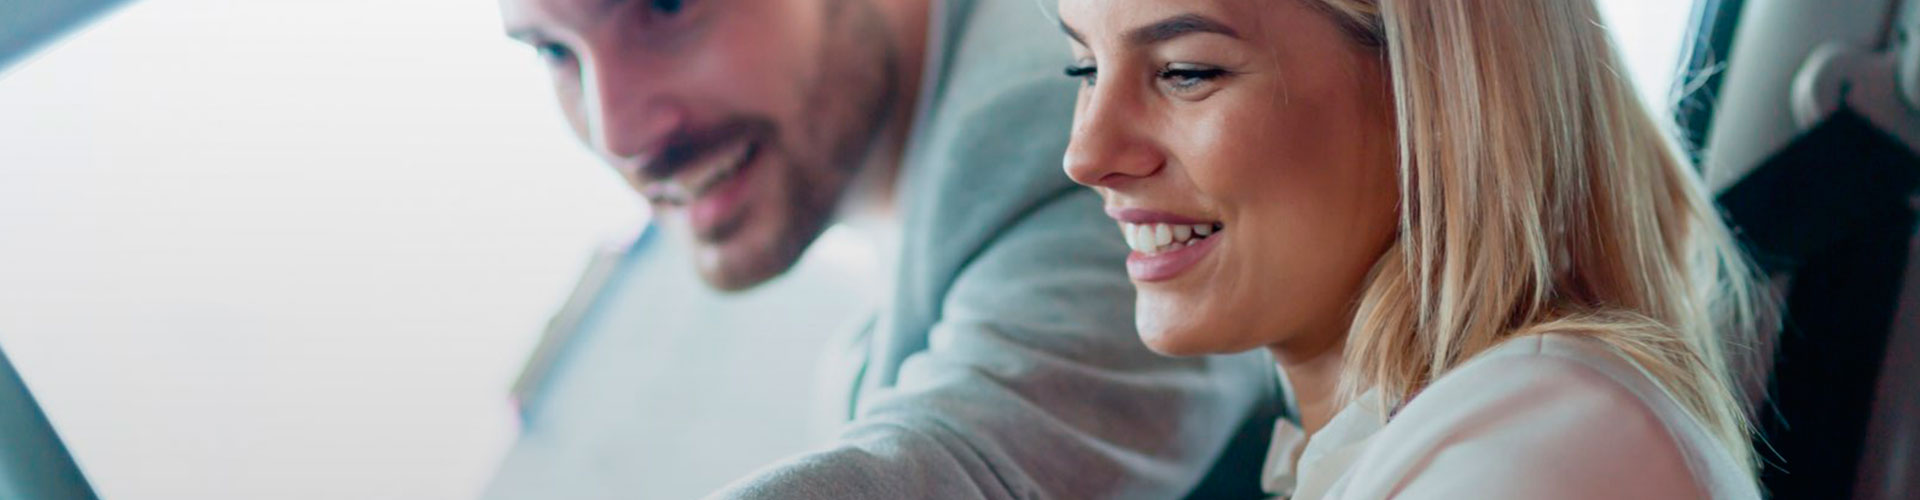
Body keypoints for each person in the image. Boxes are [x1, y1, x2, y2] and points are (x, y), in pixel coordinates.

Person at [493, 0, 1278, 497]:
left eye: (665, 7)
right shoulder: (894, 276)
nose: (619, 131)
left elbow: (974, 465)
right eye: (553, 52)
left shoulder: (1055, 104)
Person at [1057, 0, 1774, 498]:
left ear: (1437, 93)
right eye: (1084, 70)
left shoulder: (1536, 452)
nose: (1084, 155)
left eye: (1187, 72)